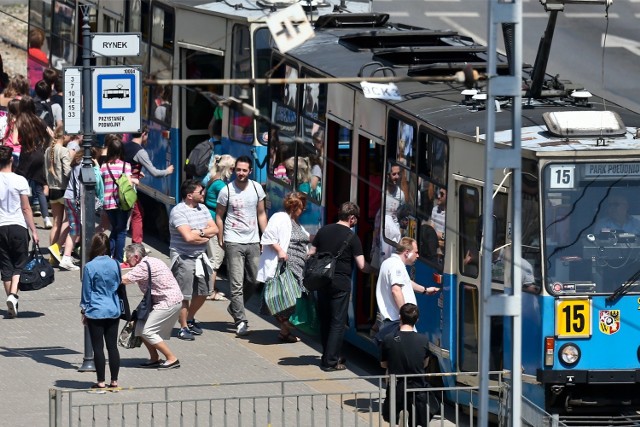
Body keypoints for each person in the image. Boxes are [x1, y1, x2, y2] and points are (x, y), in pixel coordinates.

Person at [309, 201, 373, 371]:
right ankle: (330, 361)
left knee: (325, 320)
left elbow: (311, 253)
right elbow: (362, 265)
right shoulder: (352, 237)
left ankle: (327, 354)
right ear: (351, 218)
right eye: (356, 218)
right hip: (340, 284)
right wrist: (375, 270)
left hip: (322, 281)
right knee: (337, 322)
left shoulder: (323, 230)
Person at [216, 155, 267, 336]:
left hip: (253, 240)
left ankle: (234, 307)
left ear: (250, 171)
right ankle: (241, 320)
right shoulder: (227, 191)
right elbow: (219, 215)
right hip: (233, 240)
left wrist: (265, 237)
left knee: (255, 279)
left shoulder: (256, 188)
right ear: (234, 170)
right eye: (238, 170)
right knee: (236, 283)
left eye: (244, 170)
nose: (241, 173)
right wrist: (221, 237)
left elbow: (261, 213)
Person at [257, 192, 309, 343]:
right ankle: (285, 324)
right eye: (302, 208)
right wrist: (280, 251)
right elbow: (268, 237)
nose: (304, 210)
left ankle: (284, 333)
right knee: (286, 297)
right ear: (295, 207)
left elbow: (306, 237)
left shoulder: (296, 222)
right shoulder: (280, 217)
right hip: (286, 265)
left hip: (298, 265)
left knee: (290, 298)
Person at [169, 179, 218, 341]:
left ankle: (189, 318)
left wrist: (200, 233)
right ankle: (183, 327)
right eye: (200, 192)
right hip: (183, 258)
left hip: (200, 257)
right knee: (185, 295)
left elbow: (215, 229)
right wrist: (204, 235)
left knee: (204, 291)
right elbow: (188, 237)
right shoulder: (178, 212)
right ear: (190, 195)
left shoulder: (202, 208)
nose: (203, 193)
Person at [122, 243, 182, 370]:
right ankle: (154, 358)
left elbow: (124, 280)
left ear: (136, 257)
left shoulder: (143, 267)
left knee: (147, 331)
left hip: (167, 302)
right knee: (139, 327)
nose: (127, 261)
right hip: (169, 300)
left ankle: (172, 359)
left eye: (128, 257)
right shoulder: (153, 260)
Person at [381, 303, 439, 427]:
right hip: (417, 388)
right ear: (417, 320)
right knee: (417, 418)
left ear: (400, 317)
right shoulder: (423, 340)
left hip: (396, 387)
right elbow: (425, 363)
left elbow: (383, 364)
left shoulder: (388, 339)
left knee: (393, 417)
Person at [375, 237, 439, 341]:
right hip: (397, 323)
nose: (418, 256)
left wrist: (425, 290)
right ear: (407, 252)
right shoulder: (396, 266)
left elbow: (406, 283)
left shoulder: (388, 263)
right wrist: (406, 317)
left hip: (393, 322)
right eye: (416, 252)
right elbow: (396, 290)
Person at [0, 146, 39, 318]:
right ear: (12, 160)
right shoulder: (20, 180)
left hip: (0, 227)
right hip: (18, 226)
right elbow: (26, 208)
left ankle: (11, 304)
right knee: (20, 263)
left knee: (6, 266)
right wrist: (34, 230)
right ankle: (13, 296)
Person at [80, 233, 121, 392]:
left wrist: (84, 310)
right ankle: (115, 380)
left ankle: (101, 381)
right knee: (113, 347)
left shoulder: (90, 267)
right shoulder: (115, 264)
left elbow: (86, 292)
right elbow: (118, 284)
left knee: (98, 347)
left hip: (96, 310)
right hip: (113, 308)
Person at [124, 126, 175, 244]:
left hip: (123, 184)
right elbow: (155, 173)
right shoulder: (140, 152)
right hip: (129, 188)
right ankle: (137, 245)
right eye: (147, 135)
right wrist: (167, 171)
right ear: (144, 134)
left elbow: (125, 165)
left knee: (134, 213)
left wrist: (136, 172)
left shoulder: (125, 146)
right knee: (137, 215)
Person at [14, 96, 52, 229]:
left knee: (20, 187)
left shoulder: (19, 121)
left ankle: (22, 216)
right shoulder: (39, 120)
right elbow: (52, 134)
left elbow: (14, 141)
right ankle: (47, 219)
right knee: (39, 189)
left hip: (26, 156)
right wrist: (45, 145)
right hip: (39, 155)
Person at [203, 154, 235, 301]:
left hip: (209, 219)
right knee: (215, 259)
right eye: (233, 168)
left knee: (212, 258)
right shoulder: (221, 185)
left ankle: (211, 288)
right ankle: (210, 291)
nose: (234, 172)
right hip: (215, 223)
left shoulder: (213, 178)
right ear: (227, 168)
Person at [100, 134, 136, 263]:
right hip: (122, 203)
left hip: (108, 203)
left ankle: (107, 254)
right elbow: (129, 184)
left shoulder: (104, 167)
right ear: (121, 151)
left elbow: (101, 184)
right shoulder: (126, 166)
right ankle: (119, 259)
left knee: (115, 229)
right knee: (121, 232)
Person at [44, 124, 71, 266]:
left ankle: (52, 256)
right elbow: (67, 172)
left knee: (56, 222)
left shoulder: (48, 150)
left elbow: (46, 171)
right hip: (64, 189)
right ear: (64, 136)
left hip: (53, 189)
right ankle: (60, 249)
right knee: (68, 222)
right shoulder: (64, 151)